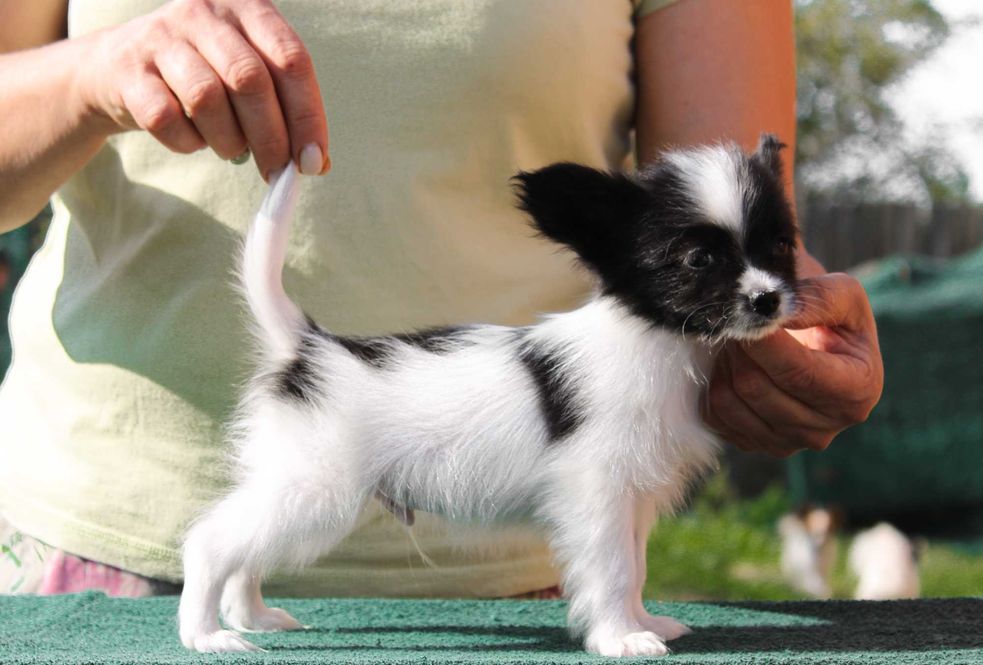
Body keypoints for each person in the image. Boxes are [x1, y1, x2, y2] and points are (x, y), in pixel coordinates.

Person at [0, 0, 883, 597]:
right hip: (102, 539)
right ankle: (220, 573)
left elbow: (735, 229)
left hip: (529, 587)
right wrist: (87, 74)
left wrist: (801, 342)